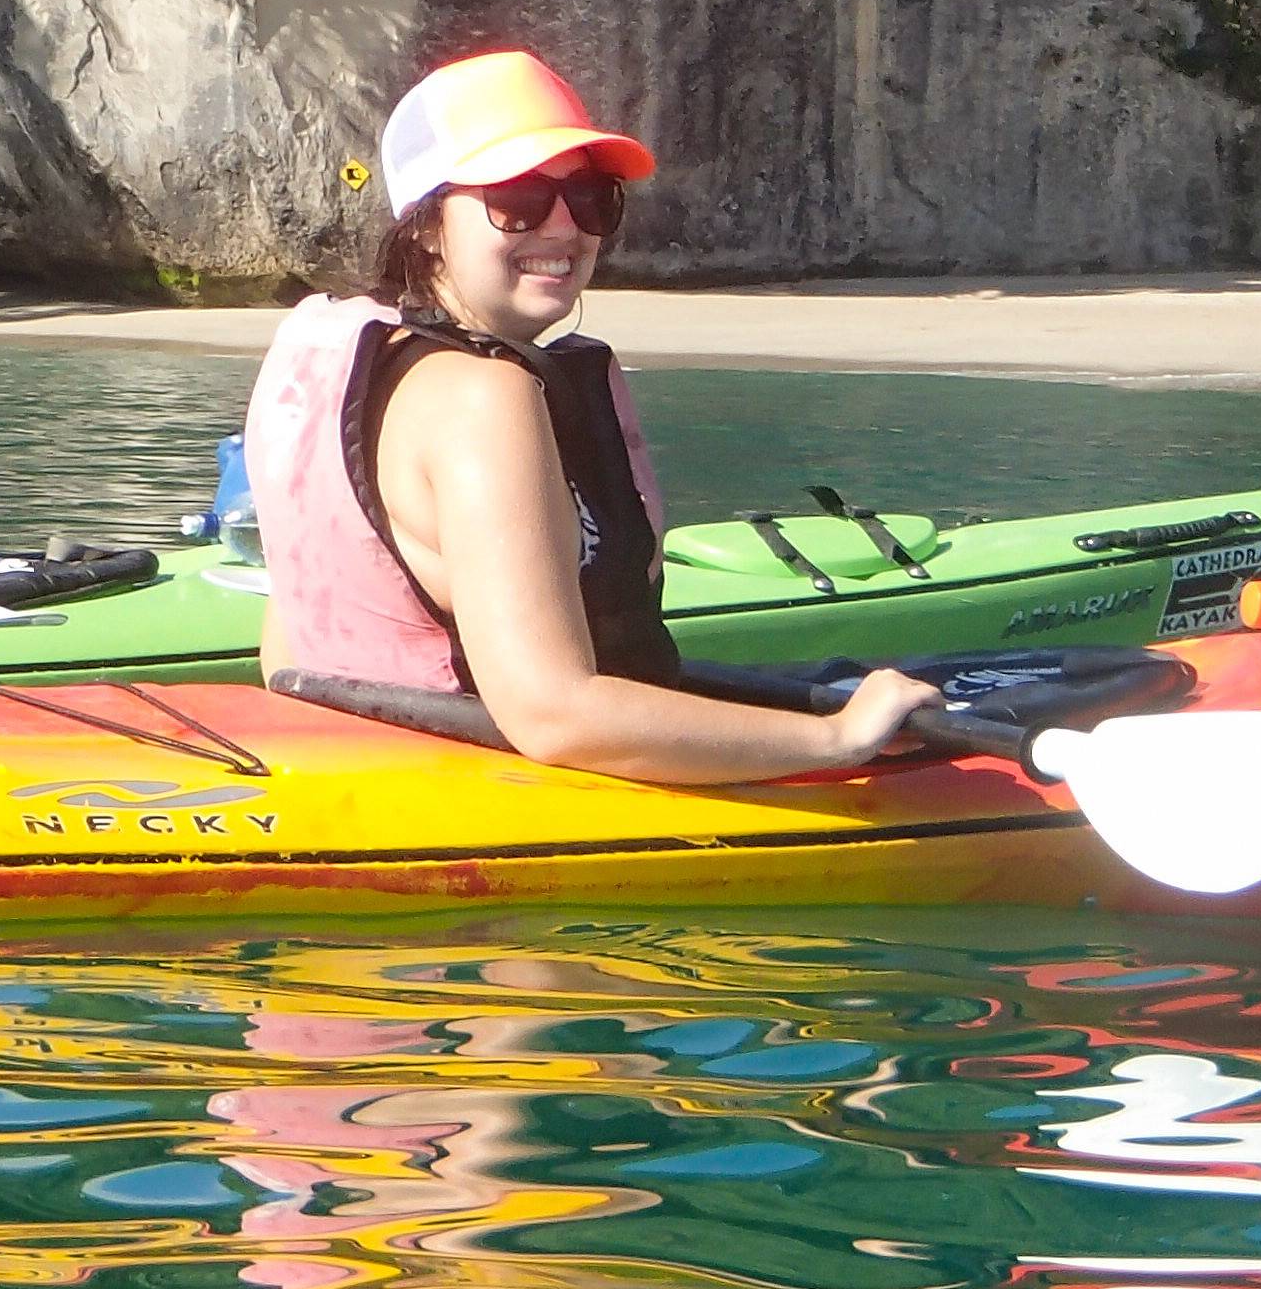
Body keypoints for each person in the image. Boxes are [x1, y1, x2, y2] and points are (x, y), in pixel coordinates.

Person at [246, 50, 936, 782]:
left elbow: (287, 651)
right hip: (488, 794)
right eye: (516, 197)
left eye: (590, 196)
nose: (563, 227)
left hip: (355, 766)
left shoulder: (332, 351)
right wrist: (840, 739)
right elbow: (554, 714)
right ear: (423, 224)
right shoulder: (482, 397)